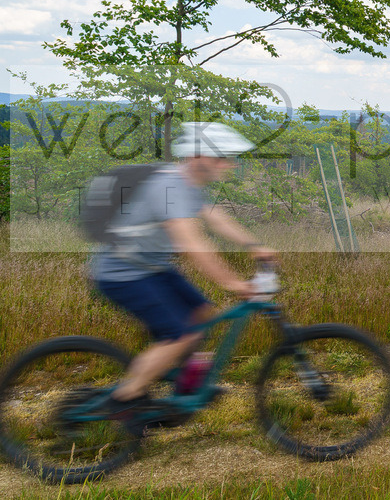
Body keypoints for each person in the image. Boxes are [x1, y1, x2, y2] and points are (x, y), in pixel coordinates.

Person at [90, 122, 276, 415]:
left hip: (150, 267)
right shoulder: (169, 187)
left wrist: (254, 244)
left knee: (200, 314)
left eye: (229, 157)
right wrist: (235, 283)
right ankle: (125, 401)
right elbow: (194, 246)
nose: (228, 164)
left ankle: (186, 385)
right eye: (221, 157)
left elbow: (216, 218)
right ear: (197, 156)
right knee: (181, 336)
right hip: (122, 273)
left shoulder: (187, 182)